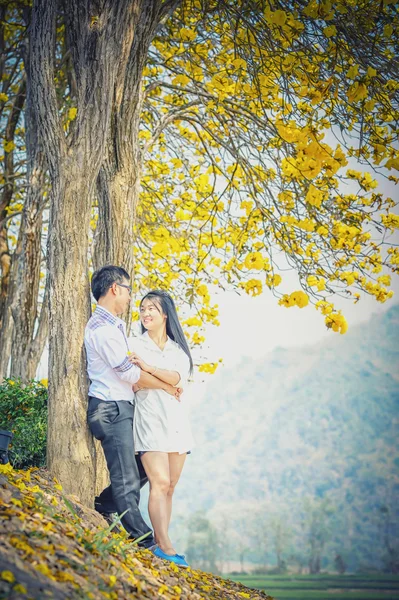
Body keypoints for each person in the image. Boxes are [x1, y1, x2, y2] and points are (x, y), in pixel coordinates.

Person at [85, 266, 180, 551]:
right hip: (110, 409)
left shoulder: (112, 326)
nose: (129, 298)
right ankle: (147, 542)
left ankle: (105, 503)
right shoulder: (104, 330)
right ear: (115, 288)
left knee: (141, 471)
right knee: (127, 479)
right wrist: (165, 386)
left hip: (120, 409)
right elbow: (129, 373)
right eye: (127, 291)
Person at [128, 290, 194, 568]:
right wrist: (165, 383)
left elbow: (178, 377)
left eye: (152, 308)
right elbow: (136, 380)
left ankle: (161, 539)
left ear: (165, 313)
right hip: (149, 419)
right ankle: (165, 546)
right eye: (142, 309)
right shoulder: (134, 344)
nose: (145, 313)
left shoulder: (178, 350)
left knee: (171, 487)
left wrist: (150, 368)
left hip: (177, 424)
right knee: (160, 483)